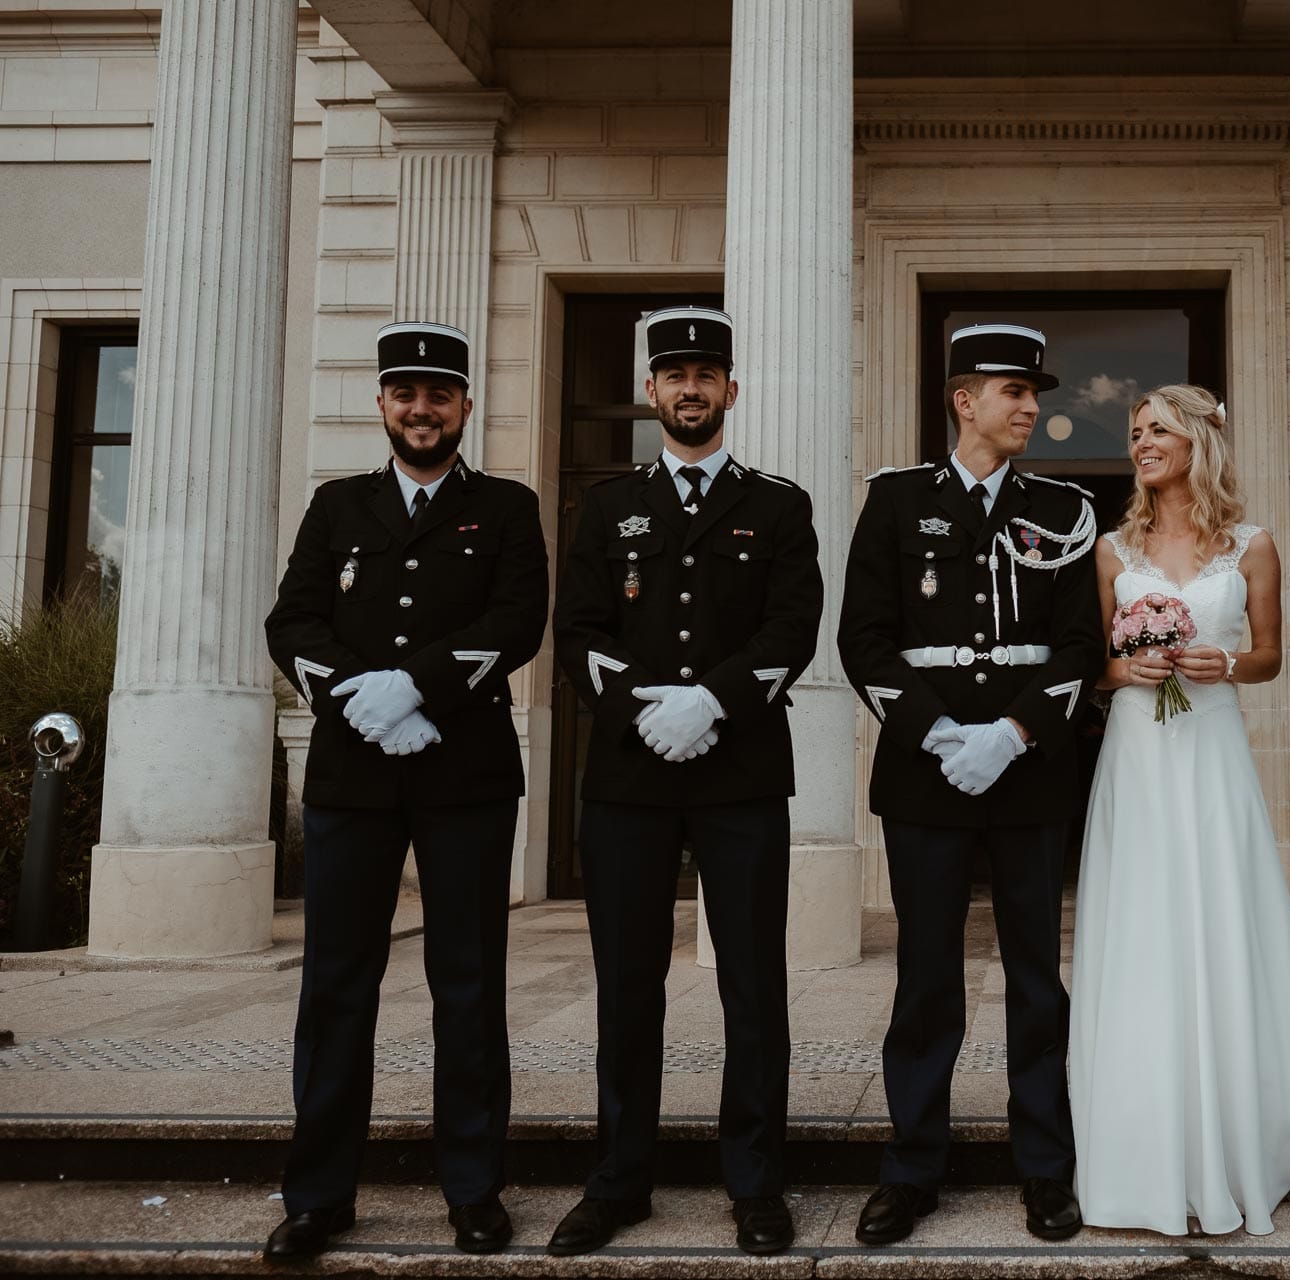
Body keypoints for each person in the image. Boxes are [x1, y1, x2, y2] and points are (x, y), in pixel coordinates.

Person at [262, 322, 549, 1261]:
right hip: (353, 774)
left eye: (438, 395)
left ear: (467, 407)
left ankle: (473, 1189)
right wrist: (364, 699)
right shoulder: (336, 506)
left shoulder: (507, 507)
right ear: (381, 404)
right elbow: (292, 618)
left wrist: (418, 686)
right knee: (337, 985)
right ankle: (317, 1196)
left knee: (466, 985)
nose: (420, 409)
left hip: (463, 775)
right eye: (404, 394)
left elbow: (517, 618)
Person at [547, 306, 823, 1257]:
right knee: (628, 983)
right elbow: (577, 631)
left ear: (731, 390)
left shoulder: (779, 506)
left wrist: (710, 703)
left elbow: (791, 629)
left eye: (708, 372)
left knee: (752, 982)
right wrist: (643, 711)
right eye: (676, 374)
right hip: (627, 775)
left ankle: (756, 1182)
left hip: (741, 768)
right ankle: (620, 1178)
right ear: (653, 393)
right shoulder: (606, 508)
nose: (692, 387)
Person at [838, 323, 1103, 1246]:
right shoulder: (897, 501)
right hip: (928, 773)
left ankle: (1045, 1167)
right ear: (963, 400)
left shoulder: (1065, 508)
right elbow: (863, 637)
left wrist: (1017, 731)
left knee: (1037, 977)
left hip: (1029, 776)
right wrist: (941, 732)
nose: (1031, 407)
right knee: (925, 980)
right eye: (1012, 391)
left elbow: (1080, 644)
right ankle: (913, 1167)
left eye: (1035, 393)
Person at [1069, 384, 1290, 1236]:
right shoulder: (1111, 550)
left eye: (1156, 430)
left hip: (1212, 749)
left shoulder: (1252, 545)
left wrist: (1222, 662)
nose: (1141, 443)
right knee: (1143, 923)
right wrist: (1124, 672)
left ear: (1198, 440)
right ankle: (1139, 1126)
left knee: (1218, 914)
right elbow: (1092, 666)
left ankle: (1235, 1111)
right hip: (1139, 753)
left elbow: (1270, 658)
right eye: (1134, 432)